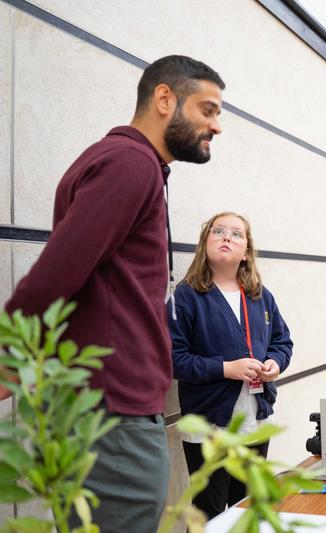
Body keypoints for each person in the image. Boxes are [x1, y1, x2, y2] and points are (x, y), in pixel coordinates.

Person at [2, 55, 225, 531]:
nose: (217, 126)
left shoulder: (126, 163)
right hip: (113, 414)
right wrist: (6, 358)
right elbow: (56, 274)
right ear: (165, 99)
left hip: (104, 409)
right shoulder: (131, 164)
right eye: (208, 110)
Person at [169, 212, 292, 519]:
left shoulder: (261, 297)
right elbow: (173, 360)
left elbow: (282, 343)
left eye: (237, 234)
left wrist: (275, 363)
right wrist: (226, 369)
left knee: (247, 509)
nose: (226, 237)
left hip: (255, 423)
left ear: (246, 252)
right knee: (208, 514)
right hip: (209, 427)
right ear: (204, 244)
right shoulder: (185, 297)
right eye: (218, 231)